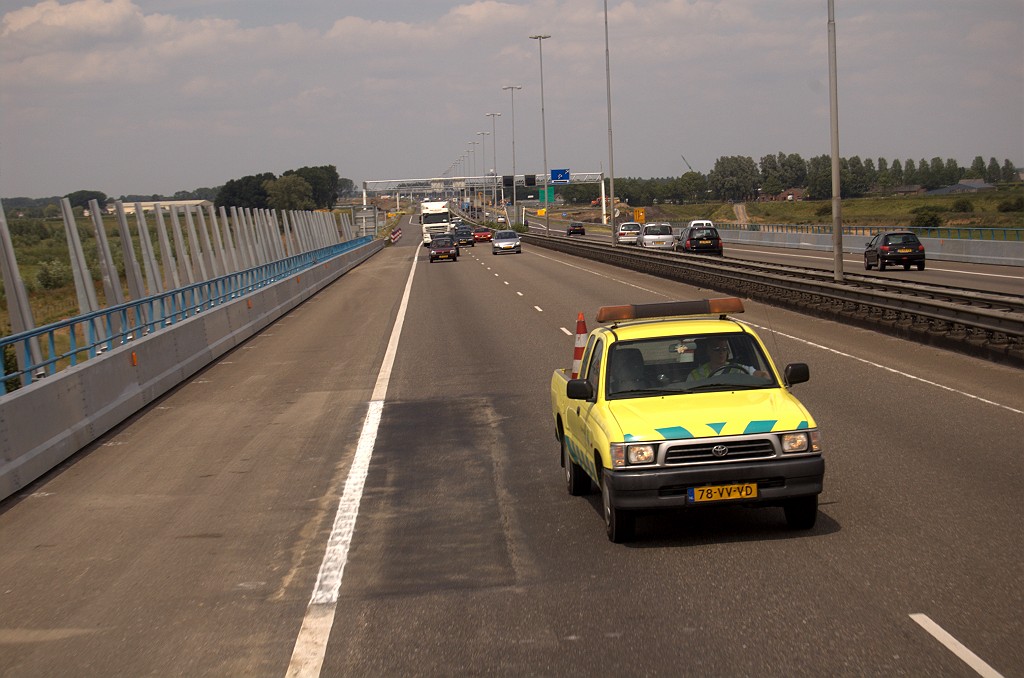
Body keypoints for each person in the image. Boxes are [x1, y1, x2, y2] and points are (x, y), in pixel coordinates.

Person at [685, 338, 769, 381]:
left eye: (724, 349)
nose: (721, 352)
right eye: (717, 349)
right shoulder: (695, 375)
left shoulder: (738, 369)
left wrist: (765, 376)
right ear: (709, 351)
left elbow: (760, 375)